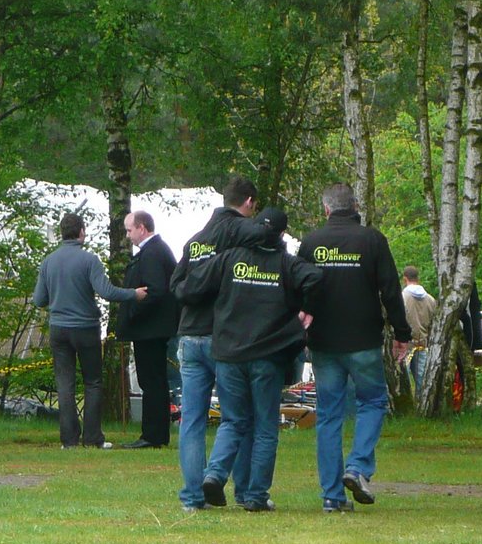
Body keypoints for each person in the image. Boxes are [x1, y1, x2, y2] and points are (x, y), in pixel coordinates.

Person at [176, 207, 324, 512]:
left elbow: (191, 286)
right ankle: (255, 494)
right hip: (266, 357)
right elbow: (315, 277)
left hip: (229, 354)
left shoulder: (231, 259)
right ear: (282, 235)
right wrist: (303, 309)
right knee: (265, 427)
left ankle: (215, 474)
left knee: (232, 420)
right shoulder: (285, 264)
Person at [299, 183, 412, 512]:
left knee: (329, 416)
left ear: (326, 209)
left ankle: (332, 497)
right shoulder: (372, 240)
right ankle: (358, 466)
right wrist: (401, 333)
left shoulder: (311, 243)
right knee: (373, 402)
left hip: (323, 341)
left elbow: (298, 289)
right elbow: (391, 290)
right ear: (356, 206)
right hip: (363, 339)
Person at [170, 177, 260, 510]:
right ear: (249, 202)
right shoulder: (238, 236)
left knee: (191, 420)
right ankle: (244, 490)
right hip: (224, 338)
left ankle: (192, 497)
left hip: (189, 335)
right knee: (237, 417)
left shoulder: (196, 241)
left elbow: (175, 285)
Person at [32, 212, 142, 450]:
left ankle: (68, 440)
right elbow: (107, 292)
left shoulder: (48, 261)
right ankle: (92, 437)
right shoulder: (89, 260)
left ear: (62, 233)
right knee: (92, 382)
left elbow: (38, 299)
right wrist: (133, 294)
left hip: (59, 329)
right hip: (85, 328)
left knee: (65, 384)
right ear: (81, 232)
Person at [118, 209, 179, 449]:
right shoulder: (156, 250)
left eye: (129, 230)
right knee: (154, 380)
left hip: (150, 329)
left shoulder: (152, 253)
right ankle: (155, 433)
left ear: (142, 228)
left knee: (152, 381)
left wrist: (133, 313)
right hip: (153, 328)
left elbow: (155, 291)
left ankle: (153, 435)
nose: (128, 235)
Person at [400, 267, 438, 393]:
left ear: (405, 278)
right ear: (418, 279)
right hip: (423, 344)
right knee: (422, 382)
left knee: (401, 381)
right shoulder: (431, 300)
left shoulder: (402, 298)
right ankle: (422, 408)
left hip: (404, 345)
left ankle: (405, 409)